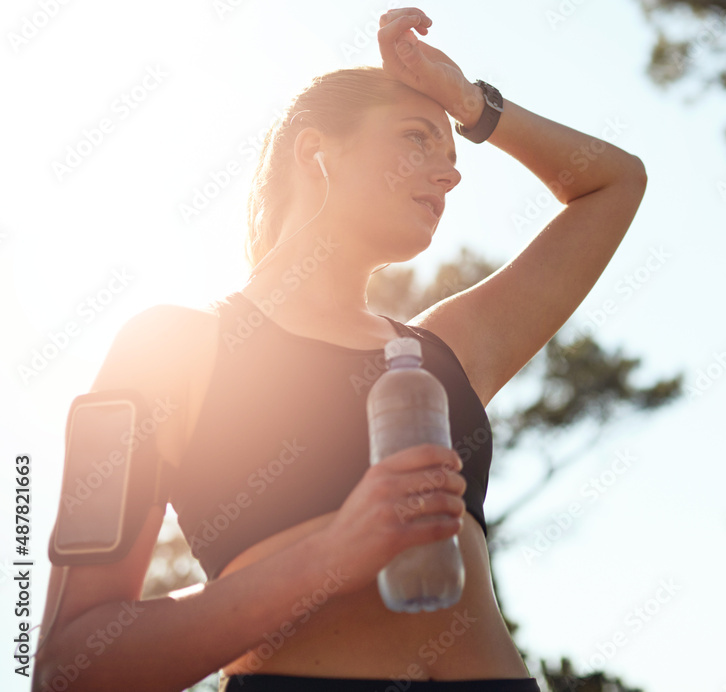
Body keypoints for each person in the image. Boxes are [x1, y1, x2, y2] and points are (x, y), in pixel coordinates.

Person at [32, 7, 646, 692]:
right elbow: (69, 665)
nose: (450, 176)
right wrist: (332, 553)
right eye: (417, 139)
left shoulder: (446, 354)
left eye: (453, 156)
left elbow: (613, 183)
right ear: (314, 151)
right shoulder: (171, 346)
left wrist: (471, 104)